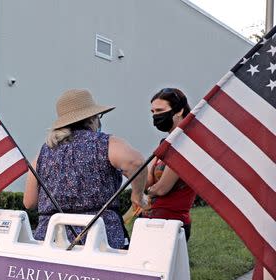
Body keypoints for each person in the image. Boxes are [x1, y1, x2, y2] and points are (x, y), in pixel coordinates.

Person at [23, 89, 146, 249]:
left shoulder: (44, 151)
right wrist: (137, 195)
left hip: (51, 239)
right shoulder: (105, 143)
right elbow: (136, 162)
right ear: (92, 118)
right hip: (99, 239)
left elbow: (29, 202)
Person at [142, 87, 197, 240]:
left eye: (160, 110)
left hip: (171, 224)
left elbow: (161, 189)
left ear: (179, 111)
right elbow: (147, 181)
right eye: (152, 112)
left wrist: (145, 192)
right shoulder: (165, 143)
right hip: (152, 220)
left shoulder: (185, 143)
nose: (156, 116)